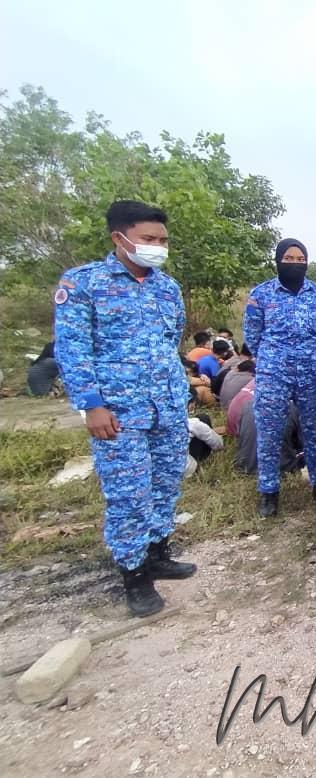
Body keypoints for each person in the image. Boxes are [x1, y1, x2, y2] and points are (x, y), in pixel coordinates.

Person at [53, 199, 196, 617]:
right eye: (148, 239)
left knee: (167, 481)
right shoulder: (83, 284)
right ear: (120, 238)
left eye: (162, 240)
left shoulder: (166, 287)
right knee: (129, 494)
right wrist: (92, 405)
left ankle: (157, 552)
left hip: (167, 406)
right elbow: (73, 351)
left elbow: (172, 343)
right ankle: (134, 576)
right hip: (118, 413)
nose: (157, 246)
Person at [243, 238, 316, 518]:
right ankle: (269, 493)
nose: (296, 264)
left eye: (301, 259)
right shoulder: (261, 295)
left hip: (311, 373)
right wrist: (274, 358)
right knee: (270, 433)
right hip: (273, 374)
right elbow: (252, 337)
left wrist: (308, 355)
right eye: (290, 258)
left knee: (315, 430)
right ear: (278, 260)